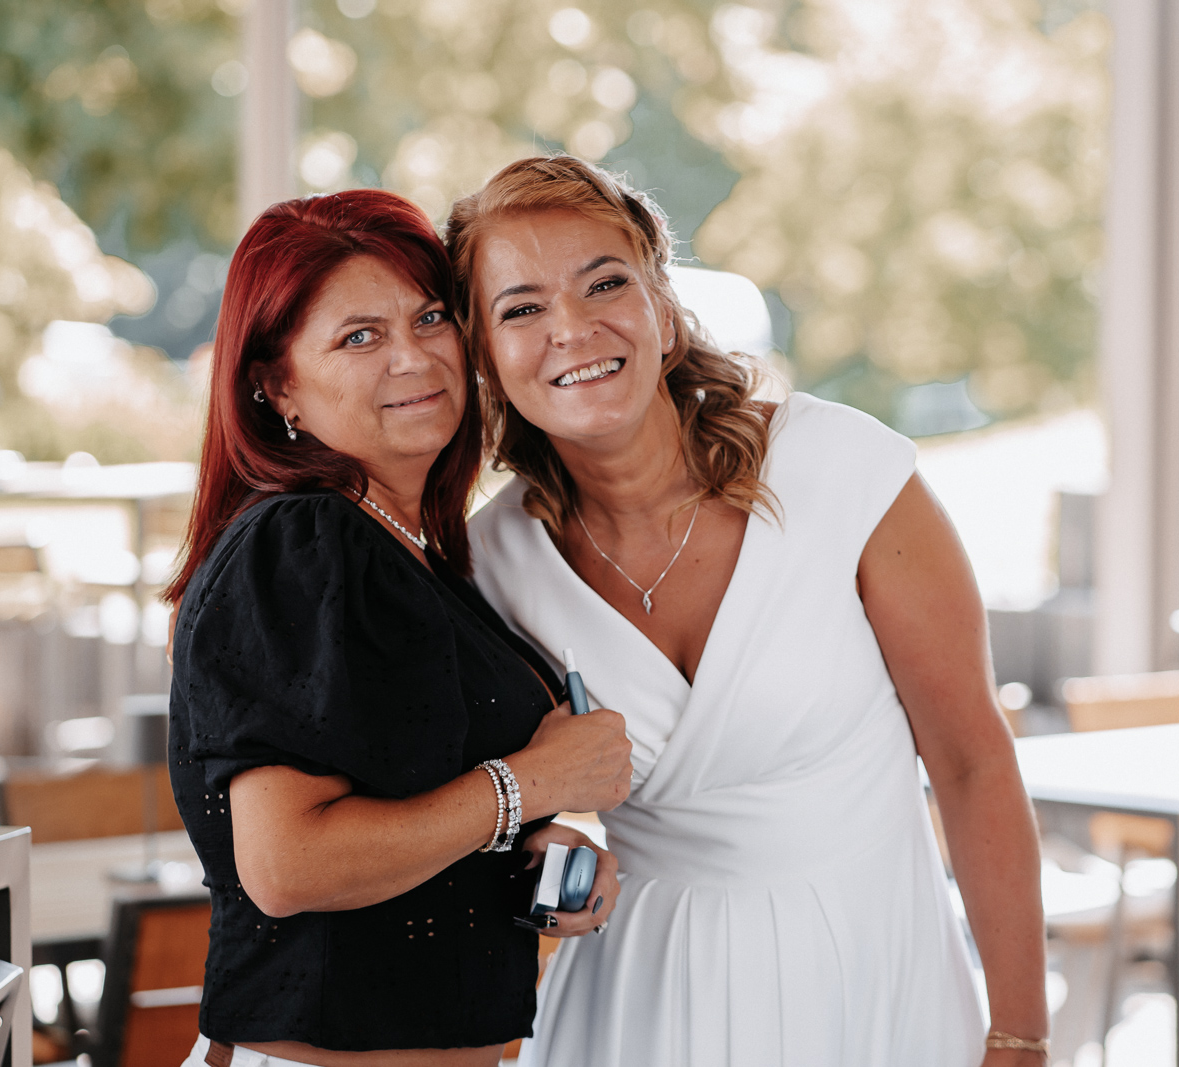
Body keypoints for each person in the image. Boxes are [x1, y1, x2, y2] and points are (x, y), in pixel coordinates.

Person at [446, 156, 1049, 1066]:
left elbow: (972, 764)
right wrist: (553, 847)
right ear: (485, 356)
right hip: (637, 1006)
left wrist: (1021, 1035)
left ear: (663, 307)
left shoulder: (844, 470)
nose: (571, 328)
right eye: (521, 308)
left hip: (874, 977)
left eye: (604, 283)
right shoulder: (490, 564)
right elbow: (519, 809)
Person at [164, 188, 633, 1067]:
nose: (413, 357)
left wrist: (527, 850)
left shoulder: (414, 554)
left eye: (429, 318)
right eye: (360, 336)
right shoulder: (302, 541)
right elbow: (288, 865)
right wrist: (527, 785)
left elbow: (412, 815)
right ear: (276, 385)